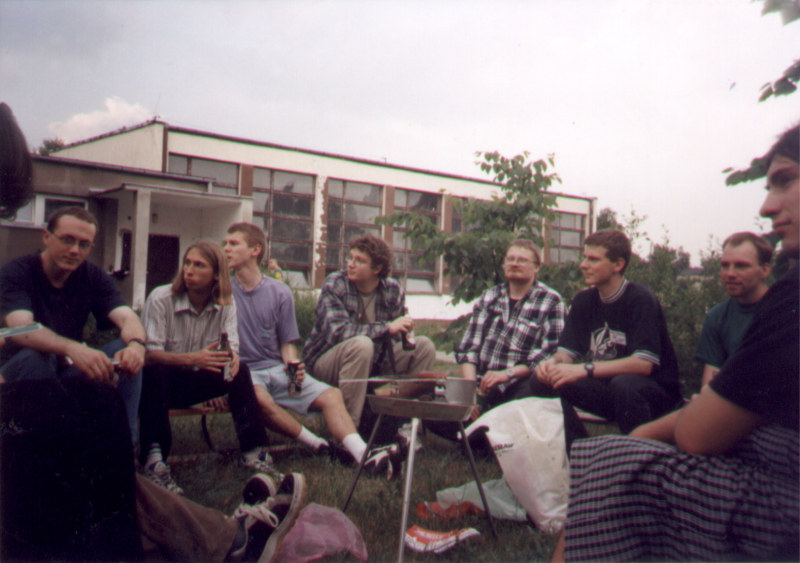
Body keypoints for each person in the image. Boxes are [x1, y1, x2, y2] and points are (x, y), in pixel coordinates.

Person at [552, 123, 799, 562]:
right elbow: (713, 383)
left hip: (771, 477)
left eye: (786, 180)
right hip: (739, 423)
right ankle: (563, 462)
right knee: (549, 386)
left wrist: (587, 374)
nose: (766, 206)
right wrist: (554, 366)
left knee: (611, 462)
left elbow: (677, 403)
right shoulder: (716, 315)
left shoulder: (784, 301)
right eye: (723, 265)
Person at [224, 222, 396, 475]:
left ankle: (363, 456)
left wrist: (293, 368)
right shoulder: (223, 291)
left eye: (233, 244)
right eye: (225, 244)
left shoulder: (280, 291)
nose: (226, 249)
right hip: (245, 373)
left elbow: (287, 345)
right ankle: (321, 446)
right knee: (260, 400)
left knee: (332, 396)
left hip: (278, 370)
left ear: (255, 250)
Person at [0, 205, 146, 443]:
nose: (75, 250)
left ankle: (125, 452)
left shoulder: (93, 276)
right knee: (38, 357)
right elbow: (21, 329)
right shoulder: (17, 272)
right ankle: (38, 450)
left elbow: (128, 317)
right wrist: (73, 348)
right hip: (15, 376)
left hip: (64, 372)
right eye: (67, 240)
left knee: (125, 355)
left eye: (84, 244)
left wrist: (137, 346)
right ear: (46, 237)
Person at [138, 241, 275, 493]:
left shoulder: (226, 303)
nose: (189, 270)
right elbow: (149, 356)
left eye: (198, 265)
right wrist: (193, 359)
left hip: (195, 382)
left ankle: (253, 452)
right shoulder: (161, 298)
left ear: (216, 275)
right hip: (158, 386)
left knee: (241, 371)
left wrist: (230, 362)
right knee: (155, 371)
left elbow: (230, 349)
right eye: (187, 263)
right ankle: (154, 460)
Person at [530, 229, 681, 433]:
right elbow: (566, 353)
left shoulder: (640, 300)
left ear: (618, 265)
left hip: (653, 394)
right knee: (542, 380)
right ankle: (577, 445)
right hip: (608, 390)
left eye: (593, 259)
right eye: (584, 257)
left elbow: (643, 364)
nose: (583, 265)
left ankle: (640, 450)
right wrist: (551, 364)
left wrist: (584, 369)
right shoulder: (584, 300)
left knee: (624, 384)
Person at [302, 234, 437, 430]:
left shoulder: (392, 290)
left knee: (424, 347)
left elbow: (397, 337)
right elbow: (337, 333)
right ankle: (349, 432)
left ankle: (401, 424)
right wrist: (387, 327)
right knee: (362, 344)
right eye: (350, 257)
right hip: (327, 365)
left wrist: (404, 331)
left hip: (373, 362)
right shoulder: (335, 284)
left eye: (359, 260)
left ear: (377, 268)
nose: (350, 264)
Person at [456, 239, 566, 410]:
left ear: (536, 267)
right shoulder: (489, 297)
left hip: (521, 385)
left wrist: (506, 375)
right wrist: (471, 395)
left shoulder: (551, 302)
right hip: (482, 384)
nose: (514, 264)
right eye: (510, 259)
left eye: (522, 260)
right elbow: (469, 350)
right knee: (436, 413)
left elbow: (548, 356)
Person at [695, 231, 772, 385]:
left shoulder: (785, 311)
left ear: (764, 270)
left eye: (741, 266)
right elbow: (710, 381)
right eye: (725, 265)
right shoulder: (717, 317)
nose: (730, 274)